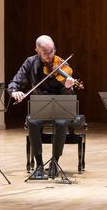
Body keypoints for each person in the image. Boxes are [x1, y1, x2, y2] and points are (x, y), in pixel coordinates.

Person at [8, 35, 77, 178]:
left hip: (60, 109)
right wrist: (15, 92)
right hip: (40, 108)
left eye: (52, 51)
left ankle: (54, 163)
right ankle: (39, 165)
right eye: (45, 52)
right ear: (37, 50)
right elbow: (15, 82)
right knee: (32, 121)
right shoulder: (30, 62)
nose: (50, 55)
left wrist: (68, 87)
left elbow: (69, 94)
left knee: (61, 122)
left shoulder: (62, 64)